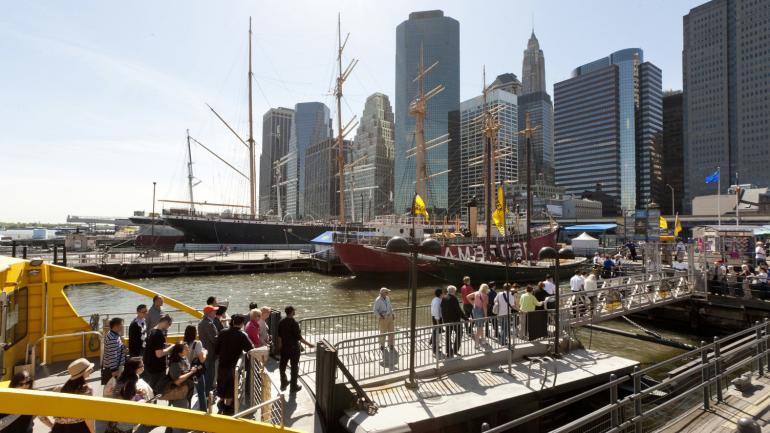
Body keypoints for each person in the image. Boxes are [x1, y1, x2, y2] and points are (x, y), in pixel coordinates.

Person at [215, 314, 253, 414]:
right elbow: (250, 348)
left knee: (222, 384)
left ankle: (221, 403)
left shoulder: (223, 332)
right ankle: (228, 409)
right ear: (242, 323)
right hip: (233, 366)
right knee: (231, 387)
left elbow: (216, 349)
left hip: (222, 365)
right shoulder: (242, 335)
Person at [109, 357, 154, 433]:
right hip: (123, 420)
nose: (143, 367)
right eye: (141, 366)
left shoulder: (124, 376)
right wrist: (142, 401)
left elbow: (121, 393)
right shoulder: (132, 380)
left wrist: (136, 392)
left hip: (115, 416)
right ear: (135, 369)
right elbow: (128, 401)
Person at [51, 358, 95, 433]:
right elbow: (89, 417)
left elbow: (43, 413)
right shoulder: (87, 391)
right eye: (89, 370)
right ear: (83, 373)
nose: (92, 370)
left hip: (59, 428)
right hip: (79, 428)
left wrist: (51, 425)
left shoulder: (57, 389)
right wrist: (92, 431)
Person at [276, 306, 314, 393]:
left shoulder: (281, 322)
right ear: (292, 312)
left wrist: (280, 346)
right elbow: (299, 337)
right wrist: (309, 344)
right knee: (294, 367)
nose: (295, 312)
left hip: (284, 348)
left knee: (282, 366)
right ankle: (293, 386)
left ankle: (283, 382)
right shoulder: (294, 323)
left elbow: (279, 336)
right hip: (293, 348)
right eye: (294, 311)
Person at [142, 314, 173, 393]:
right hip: (157, 369)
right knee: (156, 391)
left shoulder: (151, 331)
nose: (169, 327)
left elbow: (154, 346)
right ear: (165, 322)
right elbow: (159, 354)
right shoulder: (159, 335)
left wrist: (165, 346)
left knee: (150, 389)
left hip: (149, 366)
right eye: (169, 324)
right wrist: (171, 347)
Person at [183, 325, 208, 411]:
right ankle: (203, 411)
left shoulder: (183, 344)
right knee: (201, 392)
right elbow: (202, 359)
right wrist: (205, 352)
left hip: (186, 372)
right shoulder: (197, 343)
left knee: (188, 394)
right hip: (196, 372)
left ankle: (188, 411)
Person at [197, 304, 219, 395]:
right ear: (209, 313)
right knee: (210, 374)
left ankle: (206, 392)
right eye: (214, 311)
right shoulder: (209, 324)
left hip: (205, 351)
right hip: (211, 353)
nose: (216, 312)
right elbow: (214, 339)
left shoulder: (201, 323)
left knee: (206, 372)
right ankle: (208, 393)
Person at [440, 285, 465, 358]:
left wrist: (444, 320)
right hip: (455, 321)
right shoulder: (454, 298)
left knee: (448, 336)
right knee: (460, 333)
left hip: (447, 321)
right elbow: (458, 310)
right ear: (453, 291)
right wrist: (466, 318)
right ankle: (455, 349)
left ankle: (448, 351)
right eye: (455, 291)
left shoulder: (444, 298)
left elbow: (442, 309)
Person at [103, 317, 126, 385]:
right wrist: (114, 370)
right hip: (114, 368)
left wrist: (122, 348)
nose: (123, 326)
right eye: (122, 324)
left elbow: (115, 349)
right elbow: (112, 355)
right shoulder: (112, 338)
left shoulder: (114, 334)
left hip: (117, 365)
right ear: (116, 326)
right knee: (114, 386)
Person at [466, 283, 489, 349]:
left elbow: (467, 297)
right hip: (480, 311)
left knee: (480, 326)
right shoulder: (485, 296)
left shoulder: (476, 293)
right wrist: (486, 316)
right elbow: (484, 307)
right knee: (479, 327)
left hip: (475, 310)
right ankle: (476, 344)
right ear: (486, 289)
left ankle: (483, 340)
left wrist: (473, 303)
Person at [429, 288, 443, 355]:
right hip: (437, 318)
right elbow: (437, 311)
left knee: (435, 331)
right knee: (437, 333)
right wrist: (438, 322)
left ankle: (431, 342)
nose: (443, 294)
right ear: (440, 294)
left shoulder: (434, 299)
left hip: (434, 317)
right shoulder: (438, 301)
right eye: (442, 293)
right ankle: (435, 349)